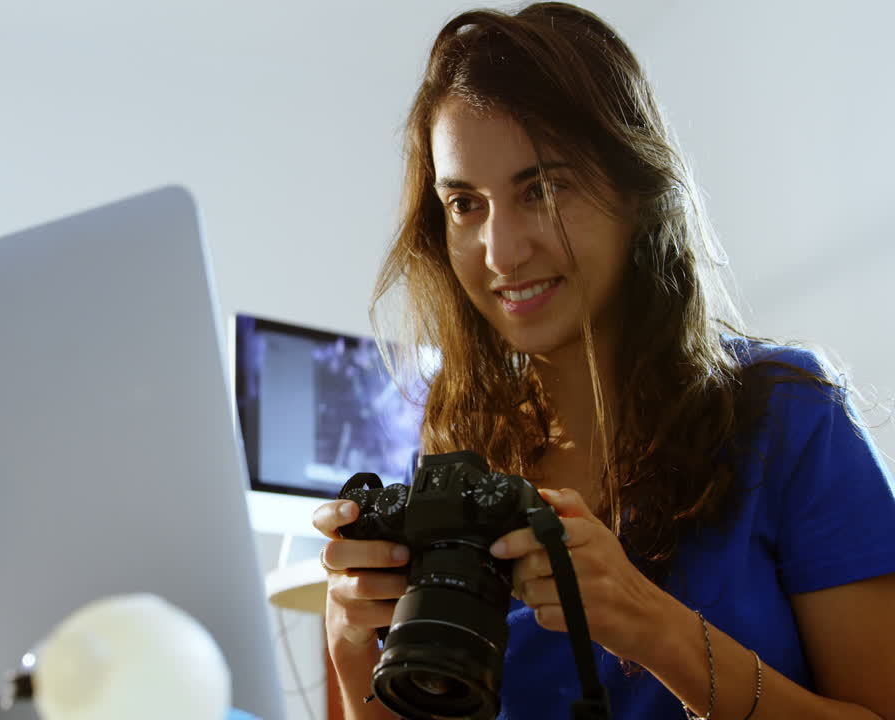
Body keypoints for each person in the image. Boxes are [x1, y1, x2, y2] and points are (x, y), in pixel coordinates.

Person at [312, 3, 895, 719]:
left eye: (543, 189)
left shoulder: (787, 417)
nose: (501, 253)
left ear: (635, 190)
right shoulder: (462, 458)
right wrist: (350, 647)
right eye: (465, 204)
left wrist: (651, 627)